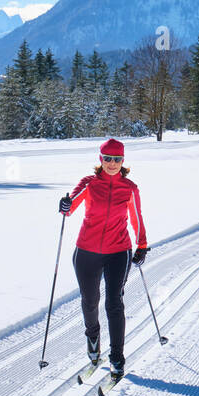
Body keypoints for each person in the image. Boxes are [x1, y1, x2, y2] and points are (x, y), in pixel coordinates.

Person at [58, 138, 149, 379]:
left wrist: (141, 244)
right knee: (90, 301)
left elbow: (136, 217)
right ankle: (93, 338)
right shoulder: (89, 184)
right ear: (100, 160)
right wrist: (65, 204)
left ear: (123, 161)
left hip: (118, 251)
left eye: (117, 159)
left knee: (114, 303)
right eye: (107, 158)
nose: (112, 163)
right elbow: (70, 207)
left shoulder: (129, 187)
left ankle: (117, 358)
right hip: (87, 251)